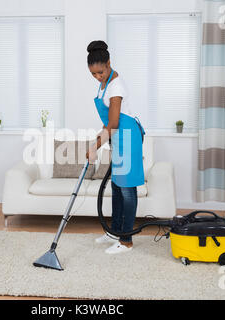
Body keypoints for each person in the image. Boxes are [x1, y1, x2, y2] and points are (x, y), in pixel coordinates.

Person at [85, 40, 145, 254]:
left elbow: (114, 123)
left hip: (127, 137)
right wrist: (97, 142)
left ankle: (126, 241)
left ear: (109, 63)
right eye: (93, 74)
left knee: (127, 190)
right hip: (118, 138)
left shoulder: (116, 85)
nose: (98, 77)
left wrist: (95, 146)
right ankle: (114, 232)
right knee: (117, 187)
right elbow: (108, 120)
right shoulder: (104, 85)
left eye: (101, 72)